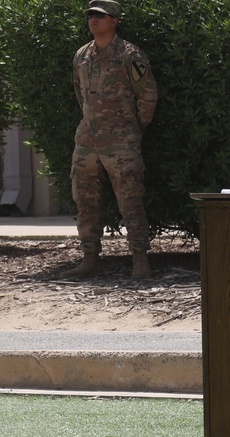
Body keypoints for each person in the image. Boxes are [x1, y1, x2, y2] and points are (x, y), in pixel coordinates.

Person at [64, 0, 157, 281]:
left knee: (130, 200)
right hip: (88, 139)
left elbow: (148, 95)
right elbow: (80, 94)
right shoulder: (81, 55)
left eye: (100, 16)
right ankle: (90, 258)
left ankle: (140, 260)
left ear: (114, 20)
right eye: (91, 15)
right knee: (85, 200)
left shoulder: (130, 54)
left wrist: (132, 129)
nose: (94, 19)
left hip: (121, 141)